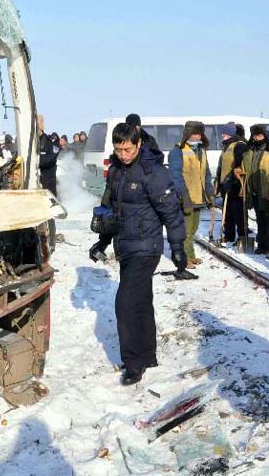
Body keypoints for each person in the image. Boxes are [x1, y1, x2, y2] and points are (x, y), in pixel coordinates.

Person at [89, 123, 186, 385]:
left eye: (128, 149)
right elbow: (110, 210)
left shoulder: (152, 172)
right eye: (119, 149)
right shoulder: (116, 171)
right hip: (126, 246)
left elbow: (171, 213)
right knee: (141, 301)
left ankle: (133, 364)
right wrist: (103, 241)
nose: (124, 155)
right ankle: (148, 355)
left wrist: (178, 247)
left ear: (139, 144)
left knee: (126, 303)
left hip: (146, 246)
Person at [168, 121, 214, 269]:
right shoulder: (177, 151)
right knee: (185, 230)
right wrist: (184, 196)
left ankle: (191, 255)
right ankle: (183, 258)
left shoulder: (201, 150)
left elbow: (206, 173)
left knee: (193, 228)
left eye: (199, 133)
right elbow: (175, 176)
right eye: (194, 133)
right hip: (186, 197)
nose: (197, 137)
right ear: (187, 134)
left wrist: (209, 192)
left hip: (198, 196)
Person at [242, 125, 269, 255]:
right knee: (260, 218)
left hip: (268, 190)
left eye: (259, 136)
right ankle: (262, 243)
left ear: (265, 136)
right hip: (254, 190)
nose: (257, 138)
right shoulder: (251, 150)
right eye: (255, 136)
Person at [216, 122, 248, 245]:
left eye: (225, 133)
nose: (223, 135)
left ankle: (242, 236)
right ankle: (229, 235)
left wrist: (233, 180)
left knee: (238, 213)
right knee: (227, 212)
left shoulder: (239, 145)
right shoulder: (226, 146)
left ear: (230, 133)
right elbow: (222, 165)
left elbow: (240, 166)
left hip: (235, 185)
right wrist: (218, 181)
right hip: (225, 184)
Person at [38, 116, 59, 196]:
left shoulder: (50, 142)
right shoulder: (33, 142)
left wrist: (37, 162)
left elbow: (51, 158)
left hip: (48, 177)